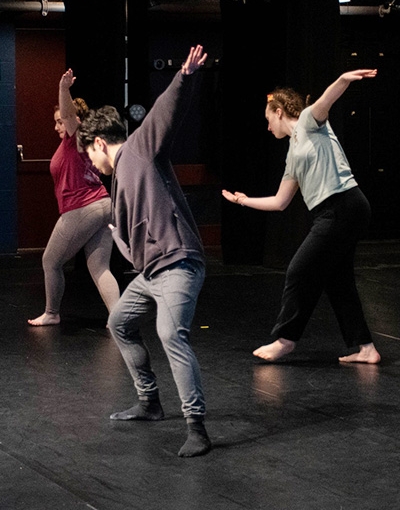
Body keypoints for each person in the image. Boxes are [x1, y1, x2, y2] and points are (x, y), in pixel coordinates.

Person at [77, 45, 211, 458]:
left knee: (171, 333)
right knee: (119, 323)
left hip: (178, 262)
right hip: (151, 273)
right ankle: (150, 403)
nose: (90, 162)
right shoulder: (118, 180)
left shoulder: (139, 148)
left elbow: (164, 113)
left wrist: (183, 78)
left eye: (89, 154)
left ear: (100, 142)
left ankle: (197, 427)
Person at [222, 69, 381, 365]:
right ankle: (366, 348)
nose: (268, 128)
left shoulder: (310, 122)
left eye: (269, 119)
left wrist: (344, 79)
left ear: (279, 112)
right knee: (338, 281)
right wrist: (243, 201)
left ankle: (285, 340)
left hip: (343, 205)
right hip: (335, 211)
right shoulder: (292, 153)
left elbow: (326, 100)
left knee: (298, 271)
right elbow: (281, 202)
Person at [28, 69, 120, 326]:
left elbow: (69, 114)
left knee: (50, 261)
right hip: (103, 205)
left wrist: (64, 88)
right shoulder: (79, 141)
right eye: (56, 121)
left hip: (83, 207)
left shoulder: (76, 135)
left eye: (59, 121)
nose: (57, 125)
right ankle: (119, 318)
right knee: (100, 268)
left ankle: (52, 312)